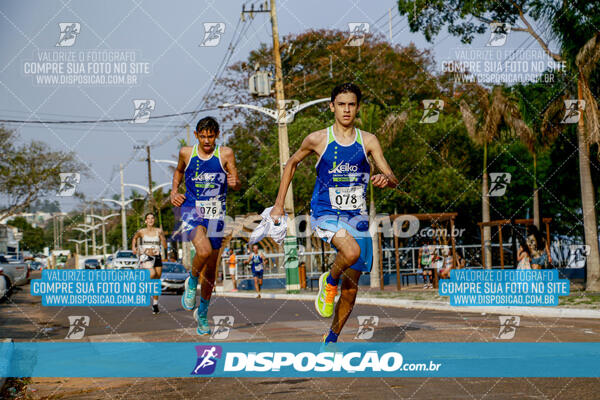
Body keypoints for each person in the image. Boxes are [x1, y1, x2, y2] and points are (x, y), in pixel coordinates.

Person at [270, 83, 399, 345]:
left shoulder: (368, 140)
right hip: (326, 212)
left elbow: (392, 175)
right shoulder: (318, 139)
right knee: (351, 252)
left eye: (351, 104)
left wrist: (387, 179)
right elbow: (292, 163)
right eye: (341, 104)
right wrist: (278, 204)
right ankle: (328, 281)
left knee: (350, 291)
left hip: (357, 217)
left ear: (358, 107)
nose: (347, 109)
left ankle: (331, 338)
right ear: (332, 107)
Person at [170, 116, 241, 335]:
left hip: (216, 215)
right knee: (203, 250)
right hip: (192, 209)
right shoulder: (186, 153)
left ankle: (202, 313)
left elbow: (236, 181)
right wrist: (174, 191)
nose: (207, 140)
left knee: (211, 271)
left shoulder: (225, 154)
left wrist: (234, 182)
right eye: (203, 136)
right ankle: (191, 280)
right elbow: (179, 171)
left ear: (217, 135)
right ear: (196, 136)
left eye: (211, 136)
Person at [131, 212, 167, 314]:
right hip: (146, 256)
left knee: (156, 281)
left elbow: (164, 245)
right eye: (148, 218)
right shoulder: (141, 232)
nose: (150, 220)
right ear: (146, 221)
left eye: (152, 218)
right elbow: (134, 238)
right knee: (152, 274)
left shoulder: (158, 231)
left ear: (154, 220)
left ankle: (155, 304)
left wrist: (163, 238)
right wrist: (134, 247)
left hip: (157, 256)